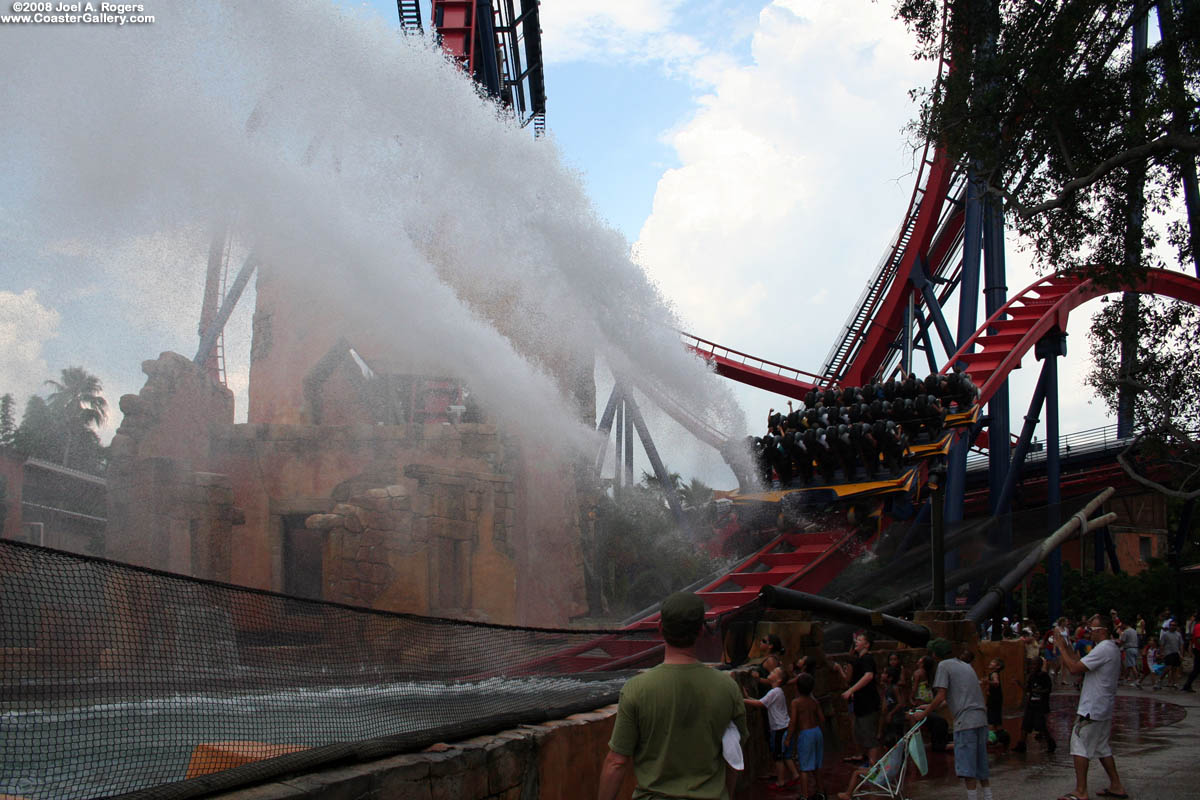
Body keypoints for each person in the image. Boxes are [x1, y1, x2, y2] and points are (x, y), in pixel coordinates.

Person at [599, 592, 749, 800]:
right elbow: (735, 758)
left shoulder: (636, 689)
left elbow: (616, 762)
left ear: (660, 628)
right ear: (700, 631)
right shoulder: (728, 688)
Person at [1054, 613, 1128, 800]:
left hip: (1092, 707)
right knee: (1102, 747)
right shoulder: (1110, 648)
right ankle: (1116, 785)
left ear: (1102, 631)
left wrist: (1061, 648)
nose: (1089, 634)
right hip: (1103, 706)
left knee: (1079, 745)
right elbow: (1079, 662)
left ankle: (1080, 791)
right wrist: (1068, 645)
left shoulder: (1103, 648)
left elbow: (1074, 668)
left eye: (1092, 630)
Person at [912, 639, 992, 800]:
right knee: (981, 762)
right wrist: (929, 706)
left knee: (967, 765)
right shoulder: (966, 666)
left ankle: (972, 798)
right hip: (981, 719)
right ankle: (988, 796)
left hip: (965, 721)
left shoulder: (943, 666)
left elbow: (941, 694)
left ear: (935, 654)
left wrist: (924, 713)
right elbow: (950, 698)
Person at [744, 667, 800, 791]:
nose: (771, 672)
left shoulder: (774, 692)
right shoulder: (777, 692)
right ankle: (795, 775)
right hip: (783, 726)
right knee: (786, 755)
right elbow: (762, 702)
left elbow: (761, 704)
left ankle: (781, 781)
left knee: (777, 757)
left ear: (778, 679)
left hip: (779, 728)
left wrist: (742, 700)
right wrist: (748, 697)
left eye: (774, 672)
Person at [840, 631, 882, 767]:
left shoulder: (867, 659)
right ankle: (868, 762)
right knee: (861, 734)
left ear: (867, 645)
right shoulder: (859, 659)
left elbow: (868, 675)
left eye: (859, 639)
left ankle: (873, 766)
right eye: (856, 639)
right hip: (861, 704)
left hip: (868, 705)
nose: (856, 641)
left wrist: (851, 690)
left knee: (870, 737)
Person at [785, 672, 826, 800]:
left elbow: (793, 721)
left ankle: (804, 795)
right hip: (816, 732)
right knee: (817, 765)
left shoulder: (796, 702)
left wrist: (788, 738)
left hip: (805, 734)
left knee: (804, 767)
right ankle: (821, 792)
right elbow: (822, 719)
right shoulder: (814, 701)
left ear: (797, 687)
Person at [1013, 656, 1055, 754]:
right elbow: (1028, 689)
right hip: (1031, 704)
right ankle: (1021, 745)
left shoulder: (1044, 676)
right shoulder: (1031, 677)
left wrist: (1039, 691)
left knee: (1041, 726)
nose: (1032, 667)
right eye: (1031, 664)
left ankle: (1050, 743)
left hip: (1040, 705)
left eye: (1034, 664)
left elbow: (1048, 690)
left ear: (1040, 665)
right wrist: (1019, 684)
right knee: (1025, 725)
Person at [984, 657, 1006, 747]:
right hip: (995, 698)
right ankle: (1000, 737)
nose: (990, 662)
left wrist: (987, 681)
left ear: (997, 666)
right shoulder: (993, 673)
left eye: (993, 662)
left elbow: (996, 683)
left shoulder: (994, 674)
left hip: (994, 699)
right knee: (996, 719)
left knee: (992, 719)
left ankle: (992, 738)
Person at [1160, 619, 1183, 689]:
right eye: (1171, 625)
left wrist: (1181, 654)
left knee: (1175, 669)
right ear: (1169, 626)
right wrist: (1161, 653)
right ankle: (1160, 680)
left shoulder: (1178, 634)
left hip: (1176, 652)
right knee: (1168, 667)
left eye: (1174, 625)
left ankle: (1175, 683)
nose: (1172, 626)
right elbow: (1162, 644)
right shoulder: (1165, 634)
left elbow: (1181, 644)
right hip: (1168, 653)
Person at [1116, 621, 1140, 687]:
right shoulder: (1134, 631)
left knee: (1132, 665)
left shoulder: (1126, 632)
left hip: (1129, 648)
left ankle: (1137, 680)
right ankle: (1125, 679)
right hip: (1135, 648)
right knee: (1129, 665)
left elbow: (1122, 641)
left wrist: (1117, 646)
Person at [1183, 611, 1200, 693]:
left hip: (1197, 650)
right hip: (1199, 650)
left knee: (1196, 669)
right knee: (1196, 669)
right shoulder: (1198, 626)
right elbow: (1198, 638)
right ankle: (1187, 685)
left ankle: (1187, 685)